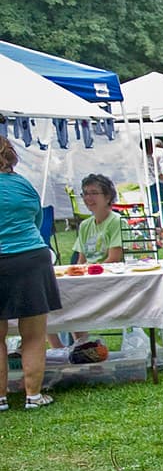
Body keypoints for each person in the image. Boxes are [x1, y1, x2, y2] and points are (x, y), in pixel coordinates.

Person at [0, 137, 59, 409]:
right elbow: (36, 221)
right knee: (34, 335)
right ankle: (33, 396)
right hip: (31, 258)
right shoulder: (23, 184)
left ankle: (0, 398)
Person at [48, 173, 124, 351]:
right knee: (46, 297)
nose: (88, 198)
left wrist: (85, 272)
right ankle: (61, 347)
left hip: (106, 280)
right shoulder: (85, 225)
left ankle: (80, 344)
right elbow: (81, 260)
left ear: (107, 197)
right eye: (85, 194)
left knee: (67, 297)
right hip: (87, 278)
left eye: (94, 193)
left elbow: (113, 258)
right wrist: (77, 272)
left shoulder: (116, 222)